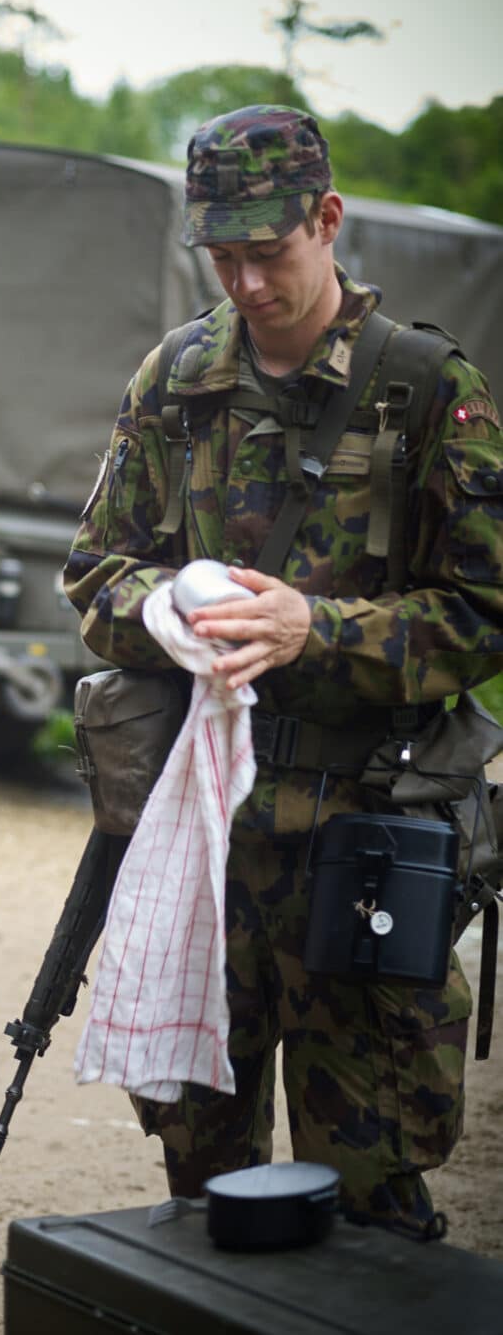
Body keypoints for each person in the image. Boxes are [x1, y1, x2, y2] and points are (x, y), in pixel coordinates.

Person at [65, 105, 503, 1237]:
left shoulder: (423, 389)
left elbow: (488, 608)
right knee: (203, 1183)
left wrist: (326, 630)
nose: (248, 282)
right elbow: (95, 574)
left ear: (329, 219)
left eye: (272, 252)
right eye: (224, 256)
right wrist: (165, 612)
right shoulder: (179, 378)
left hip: (366, 839)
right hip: (201, 841)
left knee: (369, 1200)